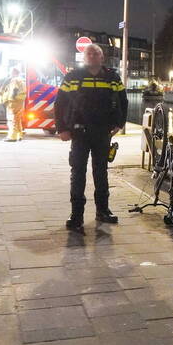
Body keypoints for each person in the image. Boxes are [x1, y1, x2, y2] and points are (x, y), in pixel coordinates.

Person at [54, 44, 128, 233]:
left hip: (103, 132)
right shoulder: (73, 77)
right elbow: (60, 102)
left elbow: (123, 100)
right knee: (78, 172)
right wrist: (62, 128)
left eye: (96, 53)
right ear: (84, 57)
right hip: (79, 132)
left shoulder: (112, 77)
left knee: (101, 172)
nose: (93, 56)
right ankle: (76, 215)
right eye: (89, 53)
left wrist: (119, 123)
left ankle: (103, 211)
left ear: (102, 57)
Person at [0, 67, 27, 142]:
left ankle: (12, 137)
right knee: (17, 119)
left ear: (14, 72)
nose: (10, 73)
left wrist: (12, 97)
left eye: (11, 72)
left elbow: (15, 89)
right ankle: (19, 135)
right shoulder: (21, 80)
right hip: (19, 100)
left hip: (13, 101)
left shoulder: (14, 80)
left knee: (12, 119)